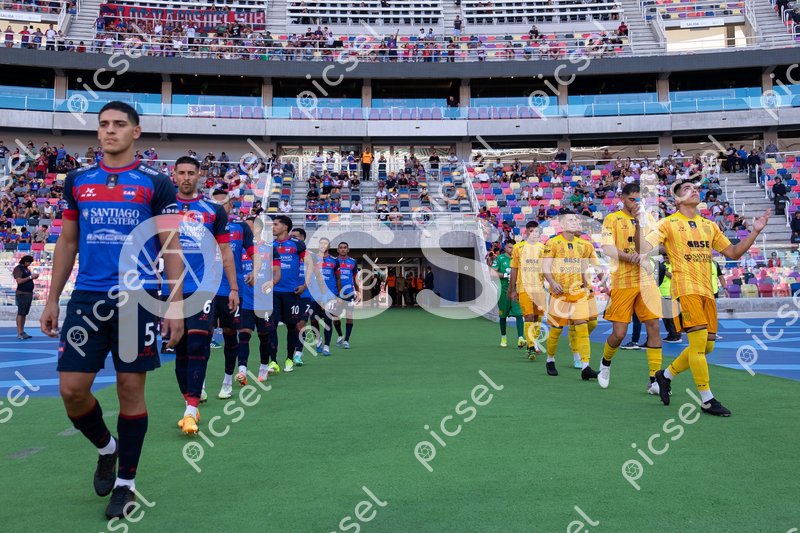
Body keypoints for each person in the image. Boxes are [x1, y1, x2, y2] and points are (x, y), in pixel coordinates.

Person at [39, 101, 184, 519]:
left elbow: (170, 247)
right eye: (103, 124)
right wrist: (52, 297)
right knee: (72, 390)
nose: (109, 130)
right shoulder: (78, 180)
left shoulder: (156, 183)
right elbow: (68, 241)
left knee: (129, 389)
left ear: (136, 132)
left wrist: (175, 305)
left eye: (119, 124)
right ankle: (107, 448)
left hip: (137, 300)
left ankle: (126, 484)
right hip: (87, 298)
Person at [639, 177, 771, 416]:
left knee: (706, 347)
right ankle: (707, 399)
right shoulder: (667, 224)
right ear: (677, 199)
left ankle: (665, 376)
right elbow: (644, 246)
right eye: (687, 188)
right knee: (698, 346)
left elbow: (733, 253)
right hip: (685, 289)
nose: (693, 190)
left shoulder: (709, 226)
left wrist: (754, 232)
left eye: (695, 188)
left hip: (707, 291)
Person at [169, 160, 239, 433]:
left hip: (203, 288)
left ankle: (190, 410)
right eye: (181, 173)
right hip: (170, 289)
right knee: (180, 349)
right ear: (174, 175)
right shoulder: (163, 206)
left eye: (191, 173)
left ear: (199, 175)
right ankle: (189, 401)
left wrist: (233, 288)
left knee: (198, 345)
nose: (186, 177)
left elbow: (225, 252)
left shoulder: (213, 211)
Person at [598, 183, 662, 393]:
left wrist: (645, 254)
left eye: (638, 200)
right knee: (619, 334)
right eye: (631, 199)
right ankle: (605, 362)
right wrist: (630, 257)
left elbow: (657, 245)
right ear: (622, 199)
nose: (635, 203)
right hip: (622, 280)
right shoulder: (612, 219)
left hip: (646, 279)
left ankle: (655, 379)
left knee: (653, 325)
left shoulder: (648, 218)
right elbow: (607, 248)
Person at [541, 213, 600, 379]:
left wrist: (587, 286)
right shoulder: (553, 243)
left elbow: (584, 268)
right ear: (561, 225)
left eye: (576, 220)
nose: (574, 222)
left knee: (582, 326)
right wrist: (552, 283)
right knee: (556, 330)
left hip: (578, 293)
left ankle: (585, 366)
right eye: (570, 220)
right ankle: (550, 359)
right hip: (559, 294)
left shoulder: (583, 244)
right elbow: (545, 267)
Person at [216, 189, 258, 399]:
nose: (218, 208)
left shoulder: (241, 228)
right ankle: (199, 388)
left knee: (230, 334)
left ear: (230, 206)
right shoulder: (201, 227)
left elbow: (253, 253)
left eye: (222, 204)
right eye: (214, 204)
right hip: (205, 289)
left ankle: (227, 381)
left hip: (232, 290)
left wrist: (254, 271)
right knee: (200, 338)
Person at [238, 216, 280, 383]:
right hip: (246, 300)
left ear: (257, 229)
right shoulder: (239, 248)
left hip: (264, 301)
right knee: (244, 335)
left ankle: (263, 367)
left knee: (264, 336)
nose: (244, 230)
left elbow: (277, 272)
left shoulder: (270, 249)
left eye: (247, 226)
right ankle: (242, 371)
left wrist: (272, 282)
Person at [270, 214, 310, 374]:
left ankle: (289, 359)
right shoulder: (270, 245)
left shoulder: (297, 245)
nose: (273, 227)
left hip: (291, 293)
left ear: (285, 227)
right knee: (271, 326)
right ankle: (273, 361)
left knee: (292, 326)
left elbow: (309, 264)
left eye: (276, 224)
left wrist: (305, 285)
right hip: (273, 293)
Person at [508, 220, 546, 360]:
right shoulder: (518, 247)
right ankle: (530, 347)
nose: (533, 234)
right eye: (531, 231)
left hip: (539, 288)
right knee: (528, 316)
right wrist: (512, 289)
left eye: (536, 231)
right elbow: (514, 269)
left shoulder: (543, 248)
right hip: (523, 287)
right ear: (526, 232)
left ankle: (534, 341)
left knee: (537, 317)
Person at [492, 241, 526, 348]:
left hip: (516, 291)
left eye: (513, 248)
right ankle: (503, 337)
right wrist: (506, 275)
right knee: (503, 315)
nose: (512, 250)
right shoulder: (500, 259)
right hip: (503, 291)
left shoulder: (519, 259)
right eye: (510, 247)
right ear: (505, 247)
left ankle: (520, 338)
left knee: (519, 314)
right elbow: (492, 272)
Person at [318, 238, 342, 355]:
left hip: (330, 295)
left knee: (328, 320)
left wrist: (339, 294)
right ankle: (318, 339)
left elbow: (338, 278)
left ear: (329, 246)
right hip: (316, 295)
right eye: (321, 243)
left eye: (325, 243)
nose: (323, 245)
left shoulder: (334, 261)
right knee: (313, 320)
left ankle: (326, 346)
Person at [334, 242, 358, 348]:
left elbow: (355, 277)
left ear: (348, 249)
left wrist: (358, 291)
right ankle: (340, 335)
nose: (343, 249)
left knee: (349, 316)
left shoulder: (353, 262)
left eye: (345, 248)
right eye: (341, 248)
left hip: (349, 293)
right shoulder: (334, 261)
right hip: (336, 293)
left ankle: (346, 340)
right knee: (335, 317)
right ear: (338, 250)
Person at [13, 254, 38, 339]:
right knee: (21, 313)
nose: (30, 264)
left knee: (24, 313)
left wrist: (32, 277)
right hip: (22, 293)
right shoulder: (18, 268)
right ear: (25, 261)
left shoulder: (26, 269)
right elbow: (19, 281)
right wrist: (31, 277)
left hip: (28, 293)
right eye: (29, 262)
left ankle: (22, 331)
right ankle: (19, 333)